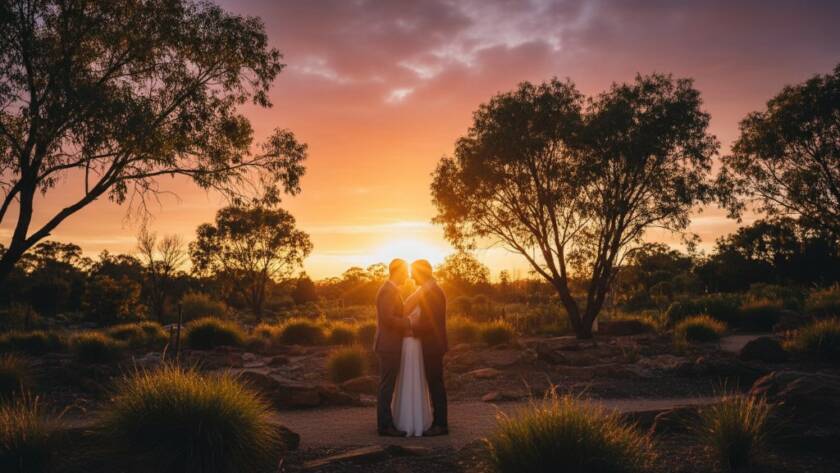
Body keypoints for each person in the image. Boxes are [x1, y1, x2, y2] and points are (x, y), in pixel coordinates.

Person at [406, 259, 448, 436]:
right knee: (433, 382)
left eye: (413, 272)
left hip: (433, 345)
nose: (410, 276)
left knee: (435, 383)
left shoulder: (434, 293)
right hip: (430, 344)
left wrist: (411, 330)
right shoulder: (428, 291)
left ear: (421, 273)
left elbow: (432, 323)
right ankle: (437, 421)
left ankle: (441, 425)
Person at [374, 258, 412, 437]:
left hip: (390, 344)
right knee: (387, 386)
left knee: (387, 385)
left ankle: (385, 423)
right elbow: (388, 318)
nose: (407, 275)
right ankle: (385, 427)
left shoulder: (391, 290)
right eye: (405, 271)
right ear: (397, 272)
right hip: (389, 345)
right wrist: (408, 322)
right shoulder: (388, 291)